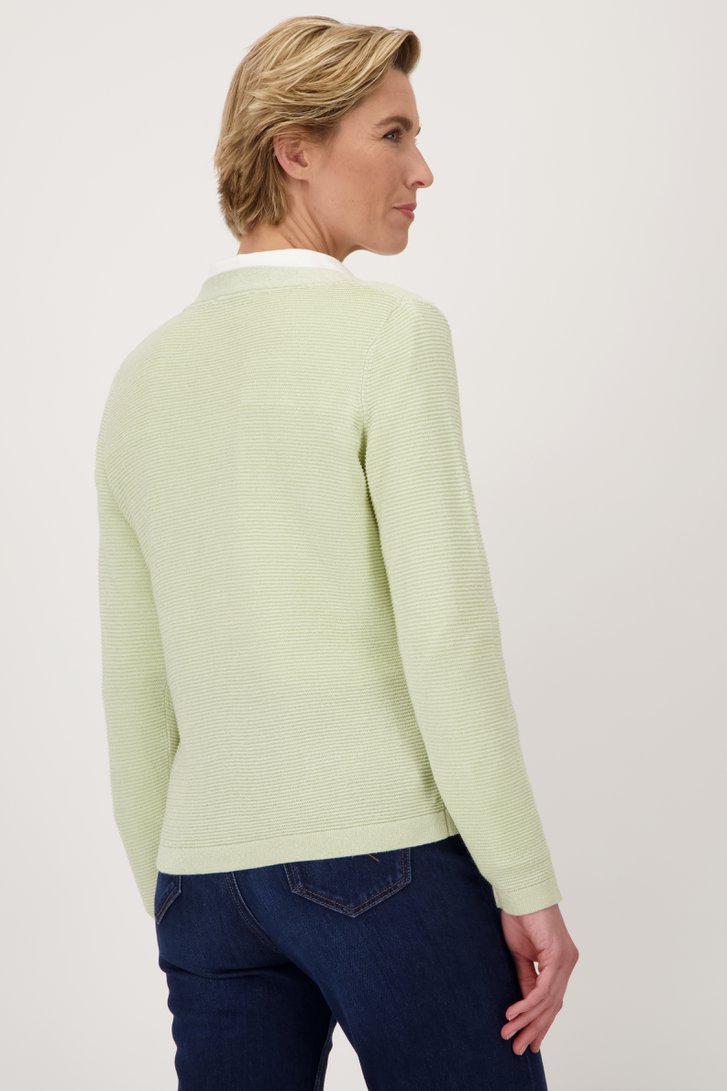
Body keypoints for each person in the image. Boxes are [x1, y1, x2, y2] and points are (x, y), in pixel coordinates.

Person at [94, 15, 579, 1090]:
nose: (422, 171)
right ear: (295, 149)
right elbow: (445, 636)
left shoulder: (140, 377)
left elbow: (134, 681)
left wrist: (174, 892)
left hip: (204, 881)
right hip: (381, 860)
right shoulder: (390, 333)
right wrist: (523, 880)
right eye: (393, 134)